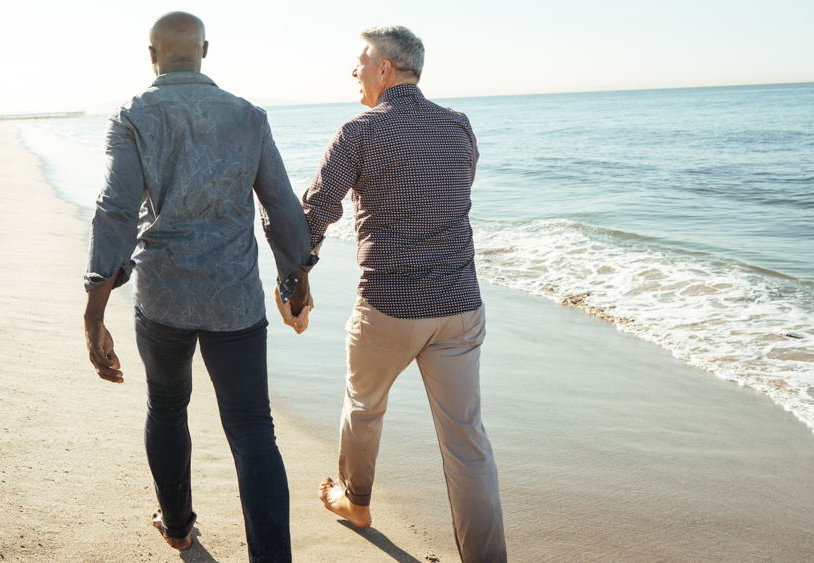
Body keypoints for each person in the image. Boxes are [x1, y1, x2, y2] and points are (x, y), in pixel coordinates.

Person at [82, 11, 314, 562]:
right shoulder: (247, 115)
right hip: (233, 295)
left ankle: (179, 527)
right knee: (253, 426)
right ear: (205, 51)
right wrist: (294, 275)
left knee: (166, 406)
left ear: (152, 55)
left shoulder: (135, 115)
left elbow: (114, 209)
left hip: (163, 295)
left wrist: (94, 312)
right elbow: (279, 202)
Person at [303, 25, 507, 563]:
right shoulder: (458, 127)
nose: (356, 71)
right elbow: (454, 194)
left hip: (391, 307)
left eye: (361, 61)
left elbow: (317, 212)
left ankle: (356, 501)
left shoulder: (361, 130)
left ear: (385, 69)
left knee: (364, 406)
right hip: (460, 305)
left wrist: (293, 280)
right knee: (467, 444)